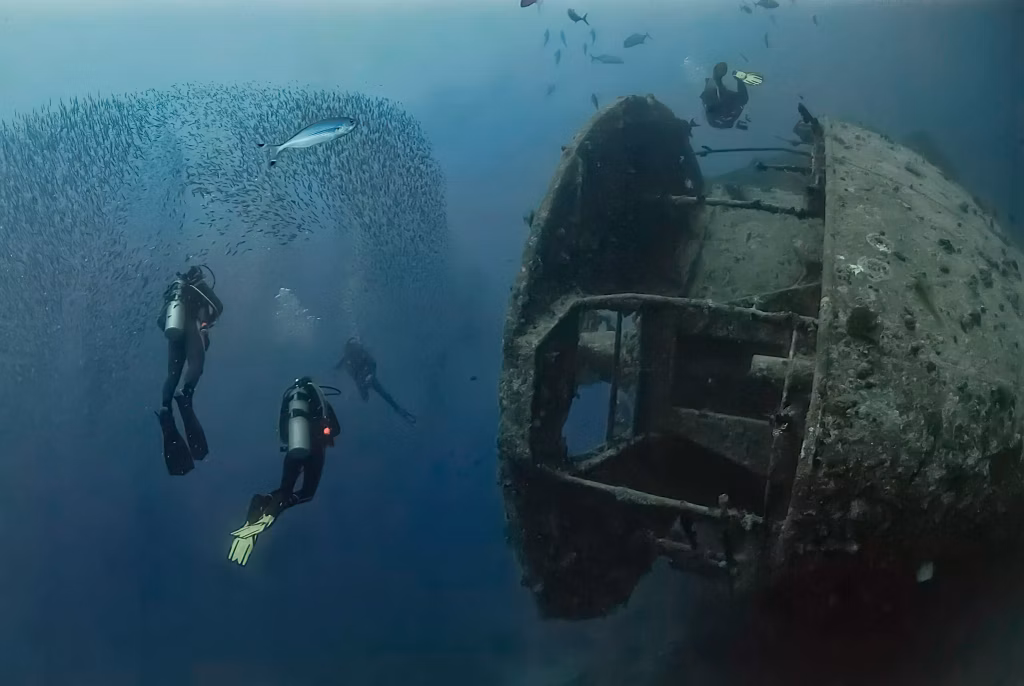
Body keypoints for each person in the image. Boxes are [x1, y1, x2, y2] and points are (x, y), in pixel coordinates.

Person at [227, 377, 341, 566]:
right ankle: (276, 508)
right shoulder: (320, 401)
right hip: (316, 449)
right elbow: (336, 429)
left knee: (285, 489)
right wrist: (324, 433)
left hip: (293, 449)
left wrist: (297, 437)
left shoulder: (290, 401)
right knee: (307, 493)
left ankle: (264, 500)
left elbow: (282, 434)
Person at [155, 264, 224, 476]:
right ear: (199, 275)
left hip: (173, 332)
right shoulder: (199, 286)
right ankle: (186, 396)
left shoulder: (174, 293)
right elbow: (218, 306)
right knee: (196, 364)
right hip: (192, 325)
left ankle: (166, 409)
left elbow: (160, 321)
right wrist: (205, 326)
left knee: (172, 374)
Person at [335, 337, 417, 426]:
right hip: (362, 380)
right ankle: (397, 409)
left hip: (367, 378)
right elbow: (340, 367)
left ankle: (398, 409)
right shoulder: (351, 355)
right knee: (368, 398)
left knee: (378, 395)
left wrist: (371, 375)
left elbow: (372, 363)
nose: (354, 348)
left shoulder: (359, 353)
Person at [700, 62, 763, 130]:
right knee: (741, 99)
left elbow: (711, 119)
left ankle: (731, 79)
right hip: (725, 104)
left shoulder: (714, 117)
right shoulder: (719, 118)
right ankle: (737, 79)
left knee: (718, 96)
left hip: (719, 104)